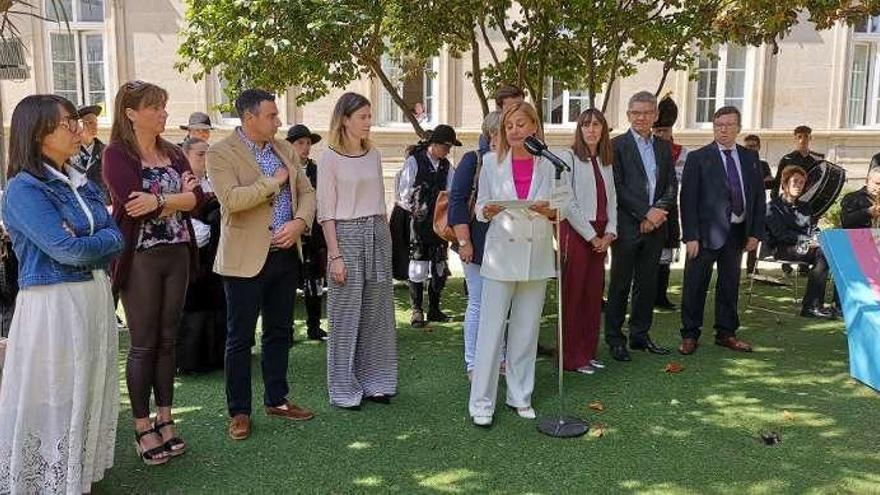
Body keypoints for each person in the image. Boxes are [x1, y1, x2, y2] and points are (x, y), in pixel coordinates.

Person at [0, 94, 124, 491]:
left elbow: (116, 235)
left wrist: (92, 238)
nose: (77, 130)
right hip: (53, 302)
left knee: (87, 384)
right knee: (51, 389)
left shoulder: (80, 180)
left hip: (92, 296)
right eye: (66, 123)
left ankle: (75, 473)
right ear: (38, 134)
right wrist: (96, 240)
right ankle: (41, 478)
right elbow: (63, 249)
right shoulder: (24, 189)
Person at [103, 80, 205, 463]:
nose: (164, 112)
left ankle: (166, 419)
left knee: (168, 340)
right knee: (144, 343)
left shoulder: (174, 152)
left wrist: (163, 200)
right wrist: (178, 198)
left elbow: (198, 200)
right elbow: (133, 206)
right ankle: (142, 425)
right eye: (155, 107)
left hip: (177, 252)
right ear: (131, 113)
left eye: (164, 105)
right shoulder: (116, 154)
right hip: (141, 257)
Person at [207, 89, 317, 440]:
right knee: (240, 339)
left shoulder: (285, 149)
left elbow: (309, 193)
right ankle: (239, 411)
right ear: (249, 118)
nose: (279, 121)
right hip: (243, 260)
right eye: (271, 115)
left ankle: (277, 399)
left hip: (285, 256)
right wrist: (274, 182)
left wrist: (300, 222)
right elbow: (232, 200)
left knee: (280, 332)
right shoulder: (220, 153)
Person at [469, 101, 558, 426]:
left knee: (526, 330)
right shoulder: (491, 162)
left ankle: (520, 395)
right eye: (509, 126)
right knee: (491, 332)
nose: (515, 130)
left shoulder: (549, 165)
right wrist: (487, 211)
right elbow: (479, 207)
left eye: (521, 124)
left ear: (534, 126)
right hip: (501, 255)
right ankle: (481, 402)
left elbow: (560, 208)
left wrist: (549, 210)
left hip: (536, 256)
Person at [317, 92, 397, 409]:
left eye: (369, 116)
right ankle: (343, 386)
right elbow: (326, 211)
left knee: (378, 313)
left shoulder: (373, 154)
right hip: (345, 235)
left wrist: (386, 238)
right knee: (345, 314)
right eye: (362, 116)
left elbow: (380, 202)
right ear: (345, 119)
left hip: (377, 232)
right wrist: (335, 255)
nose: (368, 122)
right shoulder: (329, 159)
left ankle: (377, 382)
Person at [679, 106, 765, 355]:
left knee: (730, 284)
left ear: (738, 127)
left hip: (738, 233)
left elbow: (758, 199)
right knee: (695, 284)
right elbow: (688, 200)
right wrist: (691, 236)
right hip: (704, 236)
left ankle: (726, 333)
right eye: (718, 125)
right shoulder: (698, 158)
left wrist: (755, 233)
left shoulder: (750, 158)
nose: (723, 130)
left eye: (728, 125)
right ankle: (690, 334)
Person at [604, 91, 677, 362]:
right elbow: (617, 186)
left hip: (656, 225)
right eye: (636, 113)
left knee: (647, 283)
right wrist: (646, 213)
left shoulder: (662, 146)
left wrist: (659, 212)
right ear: (628, 115)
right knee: (620, 284)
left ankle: (640, 335)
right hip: (626, 225)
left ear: (655, 115)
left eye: (647, 112)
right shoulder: (616, 145)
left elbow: (671, 183)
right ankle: (615, 338)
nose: (641, 117)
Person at [559, 108, 618, 375]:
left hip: (601, 233)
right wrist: (591, 235)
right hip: (577, 232)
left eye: (596, 125)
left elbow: (613, 199)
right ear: (579, 129)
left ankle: (588, 352)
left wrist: (610, 233)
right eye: (586, 125)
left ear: (603, 129)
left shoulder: (606, 161)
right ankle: (572, 357)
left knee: (594, 296)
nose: (591, 129)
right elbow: (567, 203)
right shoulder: (568, 158)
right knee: (574, 295)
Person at [449, 111, 501, 380]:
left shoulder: (512, 161)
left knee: (502, 305)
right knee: (479, 303)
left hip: (505, 245)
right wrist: (464, 242)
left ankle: (499, 358)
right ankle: (473, 363)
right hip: (476, 243)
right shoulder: (474, 160)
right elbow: (457, 203)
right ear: (491, 134)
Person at [397, 124, 460, 327]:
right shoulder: (414, 161)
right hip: (420, 222)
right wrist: (418, 210)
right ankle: (417, 310)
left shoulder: (447, 166)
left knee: (440, 265)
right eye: (446, 146)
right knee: (418, 264)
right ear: (434, 144)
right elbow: (404, 193)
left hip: (440, 224)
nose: (448, 151)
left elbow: (452, 191)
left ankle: (434, 308)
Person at [176, 138, 227, 373]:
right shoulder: (180, 184)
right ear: (185, 156)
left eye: (208, 154)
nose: (205, 159)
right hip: (192, 255)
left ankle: (214, 356)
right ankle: (190, 360)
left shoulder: (213, 182)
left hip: (215, 256)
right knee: (193, 306)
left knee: (216, 303)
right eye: (199, 154)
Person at [765, 166, 836, 319]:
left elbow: (812, 229)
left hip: (805, 247)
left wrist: (817, 237)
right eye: (795, 181)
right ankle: (811, 306)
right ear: (784, 184)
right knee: (822, 254)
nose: (798, 185)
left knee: (830, 251)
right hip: (781, 248)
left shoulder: (805, 206)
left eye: (802, 183)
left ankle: (835, 304)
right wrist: (808, 240)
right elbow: (780, 234)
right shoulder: (772, 207)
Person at [286, 124, 329, 341]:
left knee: (315, 282)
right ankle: (288, 329)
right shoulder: (283, 170)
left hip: (314, 234)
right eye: (300, 143)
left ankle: (314, 326)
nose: (305, 148)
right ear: (290, 146)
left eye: (308, 143)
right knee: (288, 283)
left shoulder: (317, 170)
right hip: (289, 234)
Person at [651, 95, 687, 311]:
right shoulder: (645, 150)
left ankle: (661, 295)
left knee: (664, 254)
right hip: (646, 209)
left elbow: (680, 180)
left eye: (664, 131)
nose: (660, 135)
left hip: (669, 209)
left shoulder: (681, 153)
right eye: (657, 131)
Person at [743, 134, 774, 275]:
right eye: (747, 146)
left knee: (754, 237)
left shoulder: (763, 165)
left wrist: (756, 183)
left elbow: (770, 180)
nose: (750, 149)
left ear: (759, 147)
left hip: (757, 207)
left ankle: (751, 268)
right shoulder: (739, 163)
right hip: (741, 207)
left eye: (753, 146)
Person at [71, 104, 111, 205]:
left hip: (103, 204)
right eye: (89, 123)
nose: (95, 126)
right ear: (78, 125)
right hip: (80, 204)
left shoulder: (107, 151)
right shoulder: (69, 152)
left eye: (96, 122)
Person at [773, 125, 824, 198]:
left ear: (810, 138)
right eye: (800, 136)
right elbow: (777, 182)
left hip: (810, 199)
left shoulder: (817, 160)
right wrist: (775, 200)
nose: (803, 140)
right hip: (790, 199)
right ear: (795, 139)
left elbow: (820, 181)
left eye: (806, 136)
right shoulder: (787, 159)